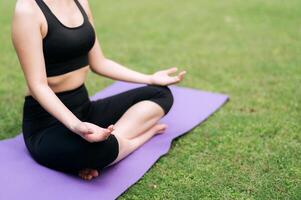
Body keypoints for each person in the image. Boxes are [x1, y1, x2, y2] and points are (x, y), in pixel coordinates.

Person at [11, 0, 186, 181]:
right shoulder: (28, 10)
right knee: (103, 149)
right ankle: (133, 141)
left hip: (85, 109)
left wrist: (150, 79)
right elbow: (37, 85)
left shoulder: (81, 2)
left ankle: (114, 143)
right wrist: (76, 125)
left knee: (160, 94)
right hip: (47, 124)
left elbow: (99, 63)